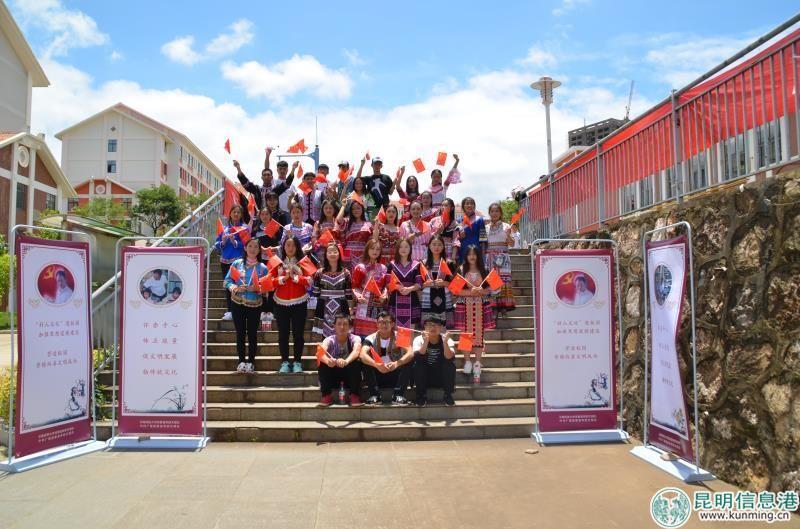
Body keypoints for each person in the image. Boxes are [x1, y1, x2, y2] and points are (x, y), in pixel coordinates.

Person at [224, 238, 269, 374]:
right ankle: (241, 361)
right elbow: (227, 281)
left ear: (259, 250)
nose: (252, 249)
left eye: (256, 247)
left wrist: (257, 288)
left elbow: (267, 289)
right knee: (240, 333)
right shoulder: (237, 264)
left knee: (252, 334)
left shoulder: (263, 268)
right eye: (250, 246)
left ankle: (251, 362)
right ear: (245, 248)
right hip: (237, 303)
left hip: (255, 305)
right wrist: (234, 287)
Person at [270, 235, 311, 374]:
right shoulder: (276, 262)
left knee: (298, 334)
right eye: (287, 245)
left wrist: (296, 277)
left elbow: (310, 281)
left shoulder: (304, 261)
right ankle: (285, 362)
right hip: (280, 302)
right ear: (283, 247)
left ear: (297, 247)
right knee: (283, 334)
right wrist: (283, 278)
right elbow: (269, 282)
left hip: (300, 302)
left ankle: (298, 362)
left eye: (293, 245)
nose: (290, 248)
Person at [454, 244, 495, 384]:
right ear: (466, 256)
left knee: (479, 335)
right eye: (469, 254)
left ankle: (477, 362)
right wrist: (469, 292)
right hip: (464, 305)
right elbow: (455, 290)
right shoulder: (461, 270)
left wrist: (482, 291)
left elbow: (492, 289)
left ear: (478, 256)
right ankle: (467, 361)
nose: (472, 256)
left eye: (474, 254)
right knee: (465, 335)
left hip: (480, 305)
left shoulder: (485, 270)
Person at [359, 311, 414, 405]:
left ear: (392, 324)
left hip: (395, 373)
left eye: (387, 322)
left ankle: (398, 395)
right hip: (378, 374)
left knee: (409, 360)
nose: (383, 325)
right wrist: (376, 365)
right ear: (377, 324)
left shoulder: (400, 335)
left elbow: (410, 353)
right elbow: (362, 354)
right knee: (364, 361)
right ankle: (375, 395)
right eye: (380, 322)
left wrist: (397, 363)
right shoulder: (370, 338)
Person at [317, 314, 363, 407]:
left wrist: (346, 361)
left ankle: (354, 395)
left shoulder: (355, 338)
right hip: (333, 377)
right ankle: (326, 395)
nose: (342, 327)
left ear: (350, 327)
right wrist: (328, 361)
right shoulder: (329, 340)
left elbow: (356, 351)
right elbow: (320, 353)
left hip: (350, 377)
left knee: (357, 360)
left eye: (345, 324)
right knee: (322, 362)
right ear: (334, 326)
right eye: (339, 324)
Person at [412, 315, 456, 407]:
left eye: (436, 325)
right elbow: (418, 357)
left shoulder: (447, 339)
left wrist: (445, 343)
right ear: (425, 326)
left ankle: (448, 395)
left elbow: (449, 357)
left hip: (440, 376)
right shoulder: (418, 339)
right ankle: (421, 396)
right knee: (418, 365)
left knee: (449, 365)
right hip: (425, 376)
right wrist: (425, 342)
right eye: (430, 324)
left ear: (441, 327)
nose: (433, 327)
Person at [311, 243, 353, 338]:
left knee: (342, 334)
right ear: (325, 255)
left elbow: (349, 294)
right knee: (324, 337)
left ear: (339, 254)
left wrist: (351, 308)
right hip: (323, 306)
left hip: (341, 306)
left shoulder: (346, 273)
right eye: (329, 252)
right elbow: (316, 293)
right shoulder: (319, 273)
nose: (332, 254)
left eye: (335, 251)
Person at [214, 204, 247, 320]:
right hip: (224, 261)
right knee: (228, 286)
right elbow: (216, 245)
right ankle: (230, 311)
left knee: (239, 285)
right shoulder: (224, 229)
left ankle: (239, 310)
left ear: (241, 215)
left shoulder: (244, 228)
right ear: (230, 214)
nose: (236, 214)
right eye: (234, 212)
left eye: (238, 212)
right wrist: (223, 242)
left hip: (237, 261)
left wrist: (234, 242)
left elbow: (247, 245)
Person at [351, 239, 388, 337]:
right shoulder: (360, 267)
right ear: (367, 249)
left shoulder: (384, 268)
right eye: (372, 248)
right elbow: (354, 286)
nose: (375, 251)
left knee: (376, 335)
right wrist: (358, 296)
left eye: (378, 249)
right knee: (361, 335)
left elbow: (386, 286)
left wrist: (384, 295)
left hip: (377, 304)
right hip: (364, 302)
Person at [485, 202, 516, 316]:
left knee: (503, 281)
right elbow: (483, 243)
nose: (494, 213)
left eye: (497, 211)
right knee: (492, 281)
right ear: (489, 213)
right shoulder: (485, 227)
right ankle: (493, 305)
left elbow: (512, 244)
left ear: (500, 213)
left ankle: (504, 306)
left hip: (503, 257)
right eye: (492, 211)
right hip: (489, 257)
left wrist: (508, 235)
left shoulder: (507, 226)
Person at [387, 238, 423, 329]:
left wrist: (409, 289)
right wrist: (397, 287)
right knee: (395, 329)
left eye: (406, 247)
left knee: (410, 330)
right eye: (401, 247)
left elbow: (419, 284)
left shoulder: (416, 265)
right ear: (397, 249)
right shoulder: (391, 265)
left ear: (410, 249)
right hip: (395, 298)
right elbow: (387, 283)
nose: (403, 249)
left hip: (411, 298)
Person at [421, 236, 455, 327]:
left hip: (445, 297)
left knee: (444, 328)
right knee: (429, 327)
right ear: (429, 246)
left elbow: (455, 284)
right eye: (434, 244)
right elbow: (419, 284)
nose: (437, 247)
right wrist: (425, 284)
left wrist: (444, 283)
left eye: (439, 245)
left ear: (443, 246)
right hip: (427, 298)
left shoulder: (449, 263)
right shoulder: (423, 263)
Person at [337, 194, 373, 270]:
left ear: (362, 209)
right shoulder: (347, 222)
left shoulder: (368, 224)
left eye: (358, 208)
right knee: (349, 274)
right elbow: (339, 220)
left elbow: (370, 242)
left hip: (363, 254)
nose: (356, 210)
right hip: (349, 254)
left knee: (361, 273)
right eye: (353, 209)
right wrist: (343, 206)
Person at [456, 196, 487, 264]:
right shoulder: (458, 221)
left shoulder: (479, 220)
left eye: (472, 203)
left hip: (476, 251)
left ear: (474, 206)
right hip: (462, 251)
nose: (469, 205)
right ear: (463, 206)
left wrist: (483, 256)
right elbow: (455, 239)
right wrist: (459, 236)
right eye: (467, 203)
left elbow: (483, 239)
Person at [311, 198, 341, 263]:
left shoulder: (338, 222)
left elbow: (342, 238)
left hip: (336, 252)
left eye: (330, 208)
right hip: (322, 254)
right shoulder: (318, 223)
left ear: (334, 209)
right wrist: (324, 244)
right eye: (326, 208)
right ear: (322, 210)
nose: (328, 210)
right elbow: (314, 239)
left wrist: (335, 244)